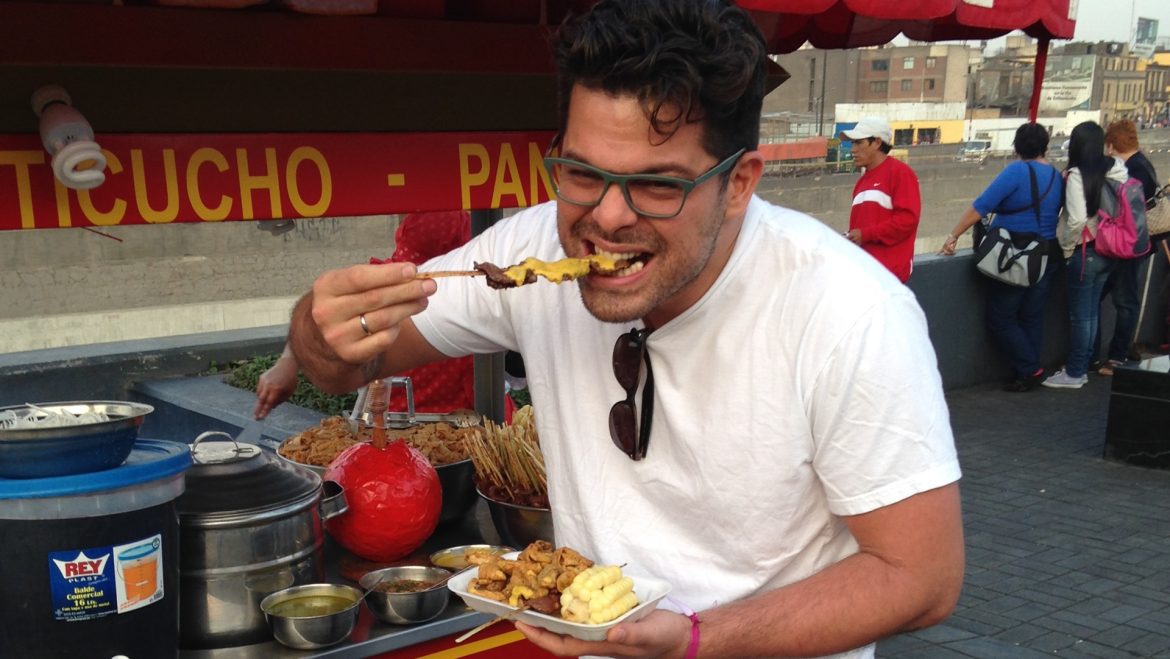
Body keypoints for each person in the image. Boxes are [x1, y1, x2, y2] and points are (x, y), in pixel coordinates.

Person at [288, 2, 964, 657]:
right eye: (583, 172)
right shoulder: (534, 252)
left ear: (738, 184)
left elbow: (921, 577)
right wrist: (320, 332)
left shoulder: (849, 312)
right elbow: (349, 364)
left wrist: (696, 639)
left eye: (658, 184)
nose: (608, 216)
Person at [253, 211, 475, 420]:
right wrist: (287, 363)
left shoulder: (475, 292)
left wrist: (287, 364)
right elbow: (323, 318)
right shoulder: (378, 285)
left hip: (467, 421)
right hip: (390, 420)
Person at [939, 123, 1063, 392]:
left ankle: (1030, 369)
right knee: (1031, 316)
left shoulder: (1016, 171)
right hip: (1046, 254)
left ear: (1017, 146)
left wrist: (953, 236)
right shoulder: (1056, 175)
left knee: (1001, 318)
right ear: (1044, 146)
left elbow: (980, 207)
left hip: (1015, 254)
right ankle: (1028, 370)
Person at [1043, 121, 1129, 389]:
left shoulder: (1078, 175)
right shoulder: (1117, 169)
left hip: (1085, 251)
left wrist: (1068, 247)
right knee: (1091, 313)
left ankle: (1075, 372)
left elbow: (1077, 219)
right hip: (1111, 249)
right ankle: (1083, 366)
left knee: (1081, 317)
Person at [1093, 119, 1157, 375]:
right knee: (1122, 300)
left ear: (1111, 145)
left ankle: (1116, 356)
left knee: (1123, 300)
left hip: (1127, 247)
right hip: (1136, 245)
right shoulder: (1143, 165)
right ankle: (1115, 352)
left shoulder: (1133, 170)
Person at [840, 116, 922, 282]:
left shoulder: (900, 173)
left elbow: (908, 220)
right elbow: (860, 229)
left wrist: (865, 234)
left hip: (888, 277)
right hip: (865, 274)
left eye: (859, 143)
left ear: (877, 142)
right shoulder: (862, 182)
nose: (853, 149)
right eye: (853, 143)